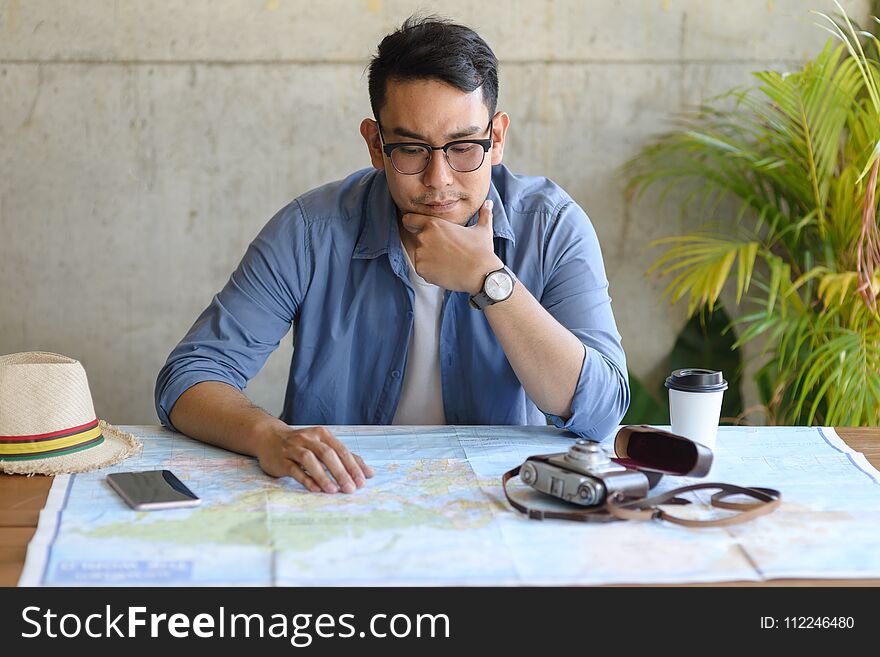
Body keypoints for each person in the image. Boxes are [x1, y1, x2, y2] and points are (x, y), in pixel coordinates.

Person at [155, 15, 629, 495]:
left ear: (497, 138)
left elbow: (601, 410)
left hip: (498, 501)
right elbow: (190, 377)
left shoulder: (551, 226)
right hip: (339, 500)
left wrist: (491, 282)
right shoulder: (310, 231)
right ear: (375, 145)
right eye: (410, 149)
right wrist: (268, 435)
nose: (439, 178)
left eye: (464, 147)